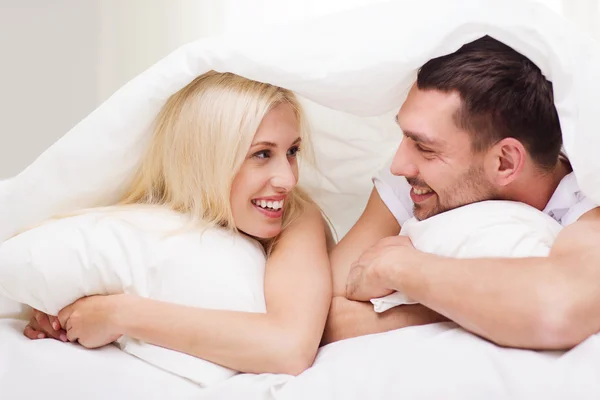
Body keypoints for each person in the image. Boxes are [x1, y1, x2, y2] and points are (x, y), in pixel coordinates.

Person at [23, 71, 333, 376]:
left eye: (292, 151)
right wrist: (60, 312)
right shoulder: (149, 223)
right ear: (207, 158)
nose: (289, 179)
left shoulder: (297, 215)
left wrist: (118, 314)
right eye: (262, 154)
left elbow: (289, 348)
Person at [323, 36, 600, 350]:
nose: (399, 165)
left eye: (425, 148)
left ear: (505, 162)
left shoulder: (586, 208)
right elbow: (318, 315)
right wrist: (480, 309)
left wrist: (398, 267)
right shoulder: (417, 179)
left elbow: (557, 311)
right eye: (406, 137)